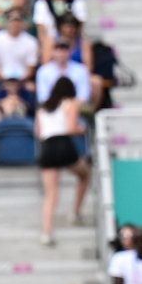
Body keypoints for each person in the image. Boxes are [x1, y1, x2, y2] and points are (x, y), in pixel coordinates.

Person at [36, 77, 90, 246]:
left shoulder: (42, 107)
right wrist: (82, 130)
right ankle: (75, 212)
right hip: (63, 144)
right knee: (85, 174)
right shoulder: (70, 103)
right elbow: (70, 127)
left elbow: (38, 132)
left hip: (46, 147)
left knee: (50, 194)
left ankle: (47, 232)